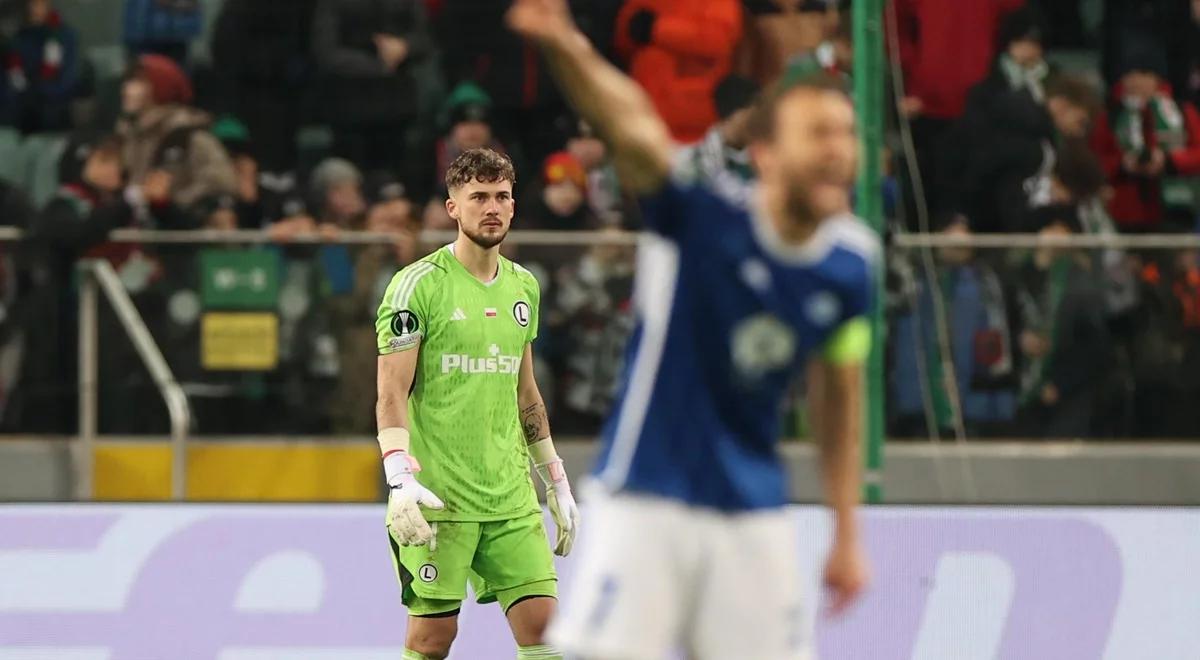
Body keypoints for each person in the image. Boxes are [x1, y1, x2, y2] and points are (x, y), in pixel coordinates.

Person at [509, 2, 872, 658]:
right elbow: (636, 129)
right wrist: (567, 45)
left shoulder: (850, 266)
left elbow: (839, 395)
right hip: (648, 497)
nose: (836, 151)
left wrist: (847, 531)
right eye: (817, 133)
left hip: (753, 514)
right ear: (764, 154)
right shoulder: (701, 218)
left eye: (846, 134)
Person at [374, 148, 581, 660]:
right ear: (453, 208)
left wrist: (554, 477)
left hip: (510, 498)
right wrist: (400, 480)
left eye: (502, 196)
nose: (492, 207)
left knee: (544, 631)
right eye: (479, 197)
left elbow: (525, 390)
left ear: (514, 206)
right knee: (431, 641)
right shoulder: (416, 286)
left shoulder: (523, 287)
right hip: (439, 499)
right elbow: (390, 393)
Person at [1091, 33, 1200, 232]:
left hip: (1178, 211)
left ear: (1157, 77)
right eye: (1129, 73)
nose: (1135, 81)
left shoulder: (1183, 112)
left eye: (1143, 73)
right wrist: (1123, 164)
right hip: (1123, 215)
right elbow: (1096, 160)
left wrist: (1168, 161)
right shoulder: (1110, 116)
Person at [116, 54, 238, 214]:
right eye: (129, 81)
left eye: (139, 82)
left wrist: (174, 202)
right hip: (133, 229)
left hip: (178, 232)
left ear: (161, 86)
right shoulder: (126, 135)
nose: (127, 90)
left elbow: (221, 182)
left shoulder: (190, 134)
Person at [613, 0, 741, 143]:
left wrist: (658, 29)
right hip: (640, 111)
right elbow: (624, 39)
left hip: (689, 114)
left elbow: (717, 40)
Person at [0, 0, 82, 133]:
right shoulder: (17, 40)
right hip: (18, 115)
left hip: (51, 112)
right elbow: (12, 80)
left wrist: (38, 92)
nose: (34, 10)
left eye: (39, 4)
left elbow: (66, 82)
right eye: (31, 4)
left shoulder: (65, 37)